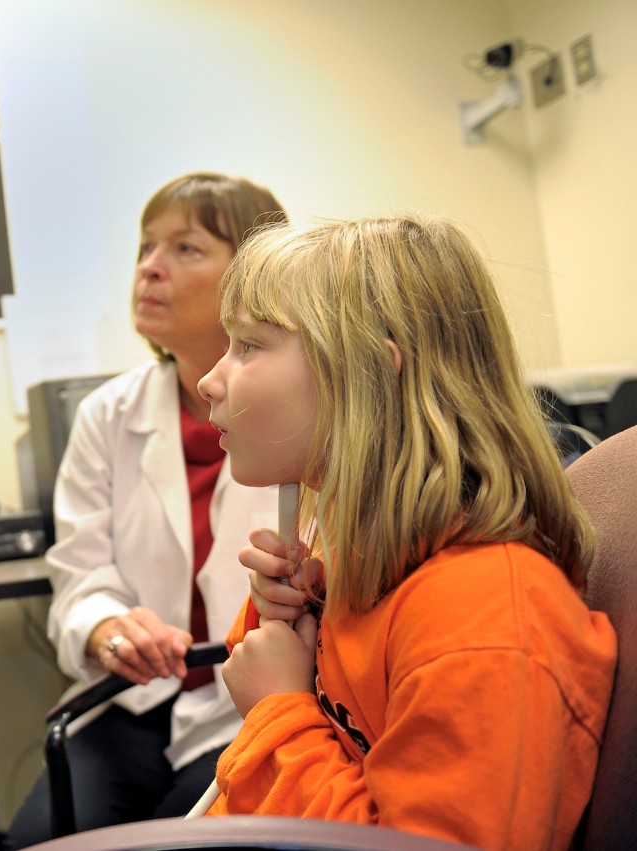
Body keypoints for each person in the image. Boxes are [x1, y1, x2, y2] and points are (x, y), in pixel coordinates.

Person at [195, 215, 617, 850]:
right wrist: (281, 626)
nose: (209, 380)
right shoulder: (371, 574)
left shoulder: (487, 620)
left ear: (368, 373)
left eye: (250, 346)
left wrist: (276, 714)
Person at [4, 172, 287, 848]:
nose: (149, 268)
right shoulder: (108, 414)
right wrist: (107, 630)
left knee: (187, 839)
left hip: (248, 701)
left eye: (185, 249)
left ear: (253, 275)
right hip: (133, 699)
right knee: (41, 841)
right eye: (145, 247)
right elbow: (81, 574)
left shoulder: (302, 409)